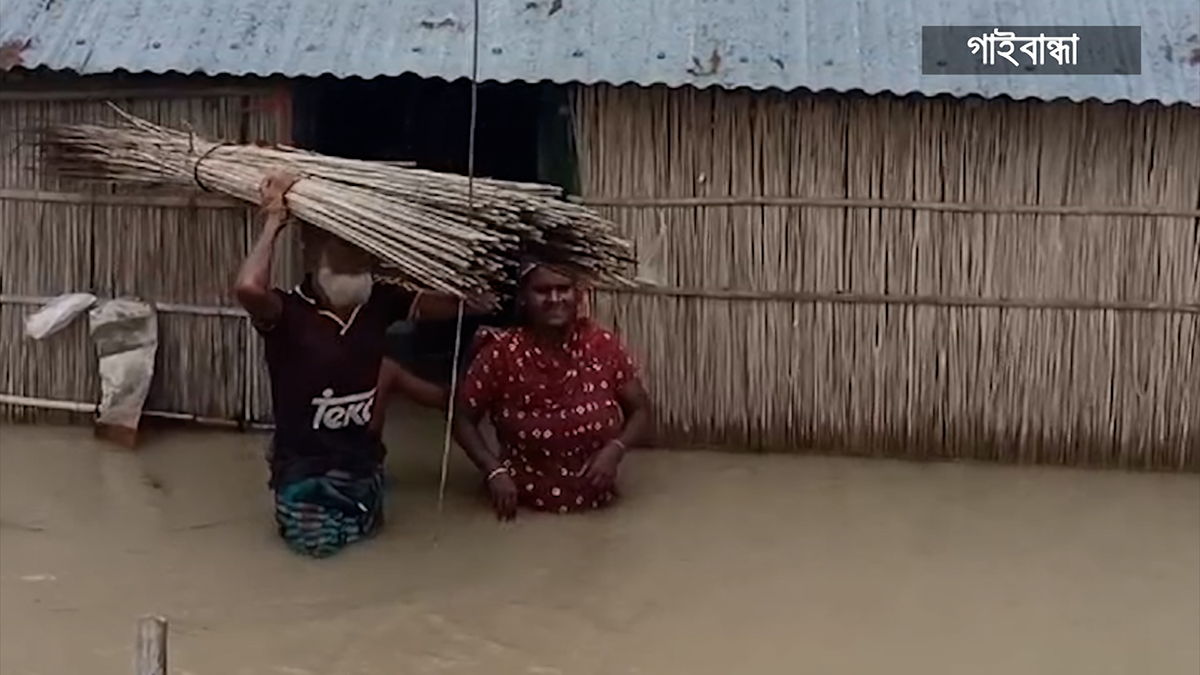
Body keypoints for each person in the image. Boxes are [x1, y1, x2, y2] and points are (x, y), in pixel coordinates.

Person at [233, 172, 475, 557]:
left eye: (362, 253)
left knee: (369, 556)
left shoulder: (379, 300)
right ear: (314, 253)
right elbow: (248, 288)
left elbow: (462, 302)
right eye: (342, 249)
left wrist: (409, 252)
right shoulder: (289, 312)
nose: (354, 260)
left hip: (365, 473)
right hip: (307, 481)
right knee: (320, 569)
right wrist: (274, 220)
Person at [452, 259, 653, 519]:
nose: (555, 299)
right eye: (542, 291)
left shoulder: (602, 346)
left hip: (599, 507)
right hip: (522, 510)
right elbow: (462, 419)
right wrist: (493, 471)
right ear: (524, 297)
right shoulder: (501, 354)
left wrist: (615, 449)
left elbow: (641, 410)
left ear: (578, 294)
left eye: (563, 289)